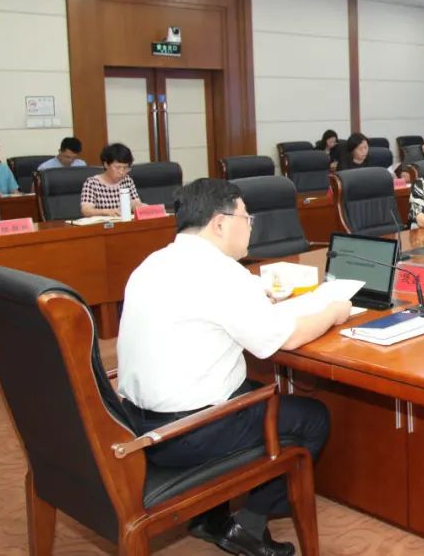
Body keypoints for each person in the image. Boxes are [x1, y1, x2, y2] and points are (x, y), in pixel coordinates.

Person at [117, 178, 351, 556]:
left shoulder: (151, 263)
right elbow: (288, 338)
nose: (251, 226)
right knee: (312, 418)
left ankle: (210, 516)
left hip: (137, 426)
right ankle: (249, 527)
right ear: (220, 223)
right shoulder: (222, 274)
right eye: (247, 217)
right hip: (189, 433)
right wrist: (334, 312)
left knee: (249, 388)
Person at [79, 143, 144, 217]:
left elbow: (135, 202)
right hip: (103, 223)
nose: (121, 172)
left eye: (125, 168)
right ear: (106, 165)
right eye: (118, 167)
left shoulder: (127, 180)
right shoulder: (92, 183)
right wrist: (106, 212)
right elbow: (86, 210)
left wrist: (137, 205)